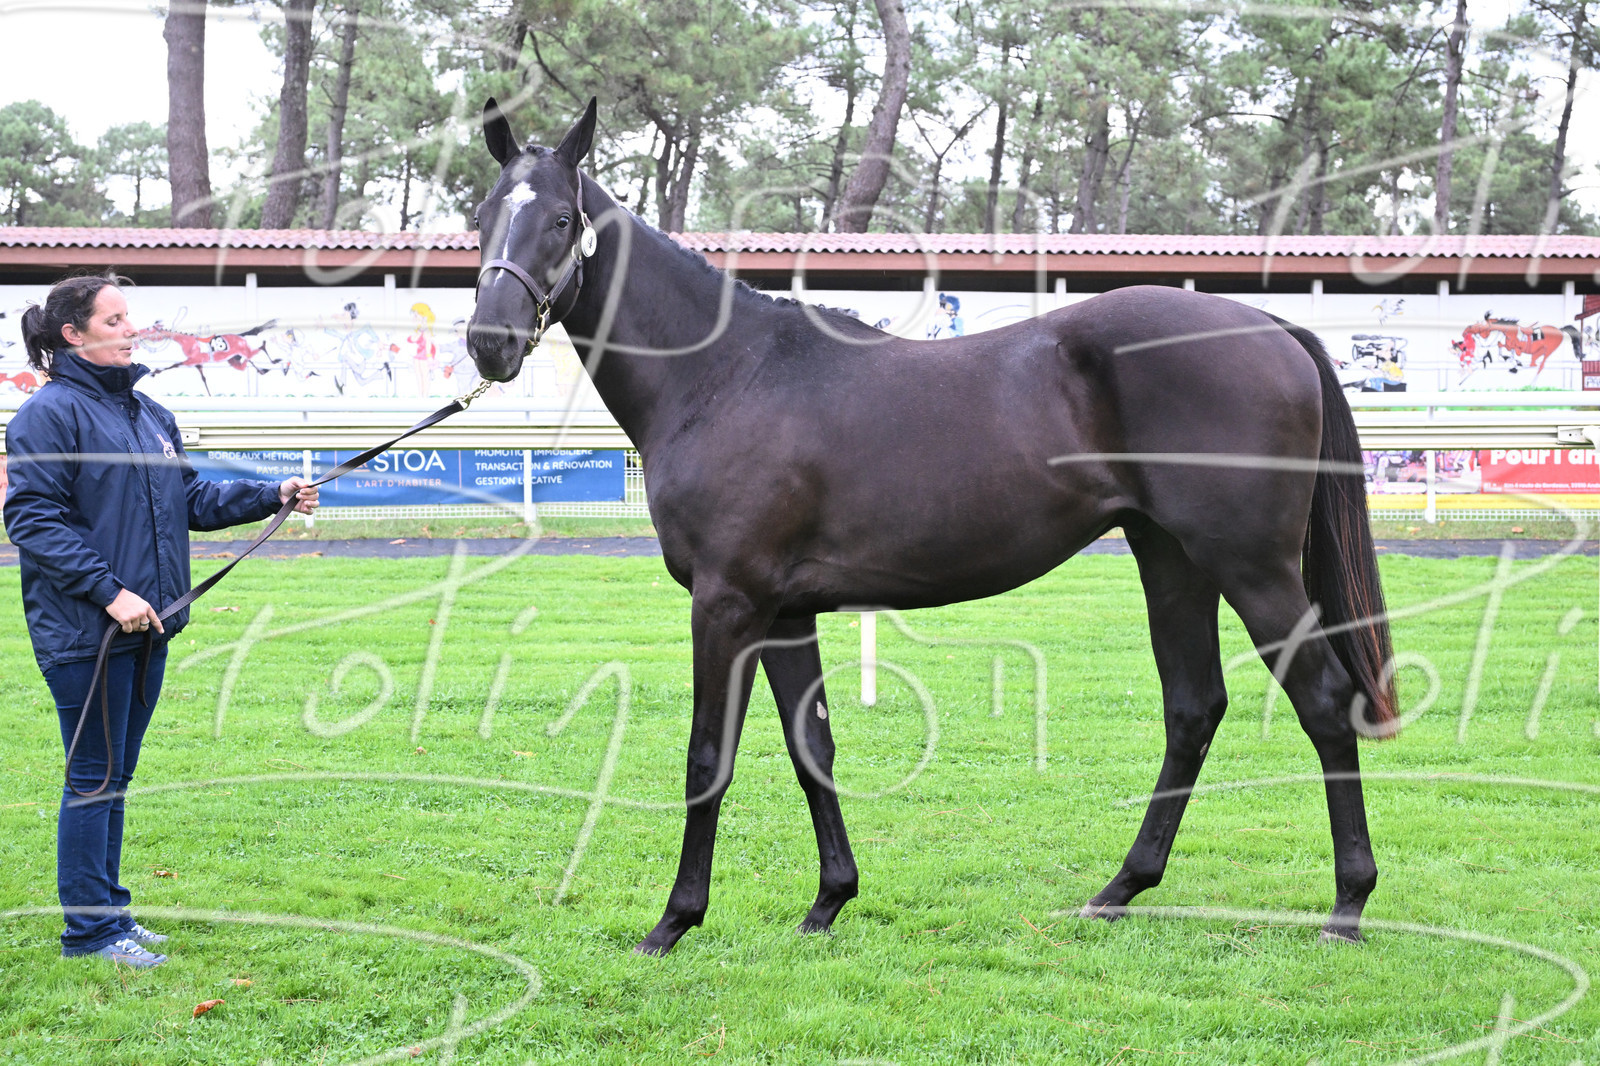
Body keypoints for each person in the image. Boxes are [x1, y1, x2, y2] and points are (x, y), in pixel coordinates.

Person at [3, 275, 319, 968]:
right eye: (114, 320)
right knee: (94, 777)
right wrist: (108, 592)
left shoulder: (148, 413)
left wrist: (273, 494)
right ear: (73, 334)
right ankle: (89, 934)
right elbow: (31, 518)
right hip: (86, 633)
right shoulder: (47, 415)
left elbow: (190, 498)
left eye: (130, 317)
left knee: (115, 777)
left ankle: (110, 914)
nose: (131, 329)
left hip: (149, 627)